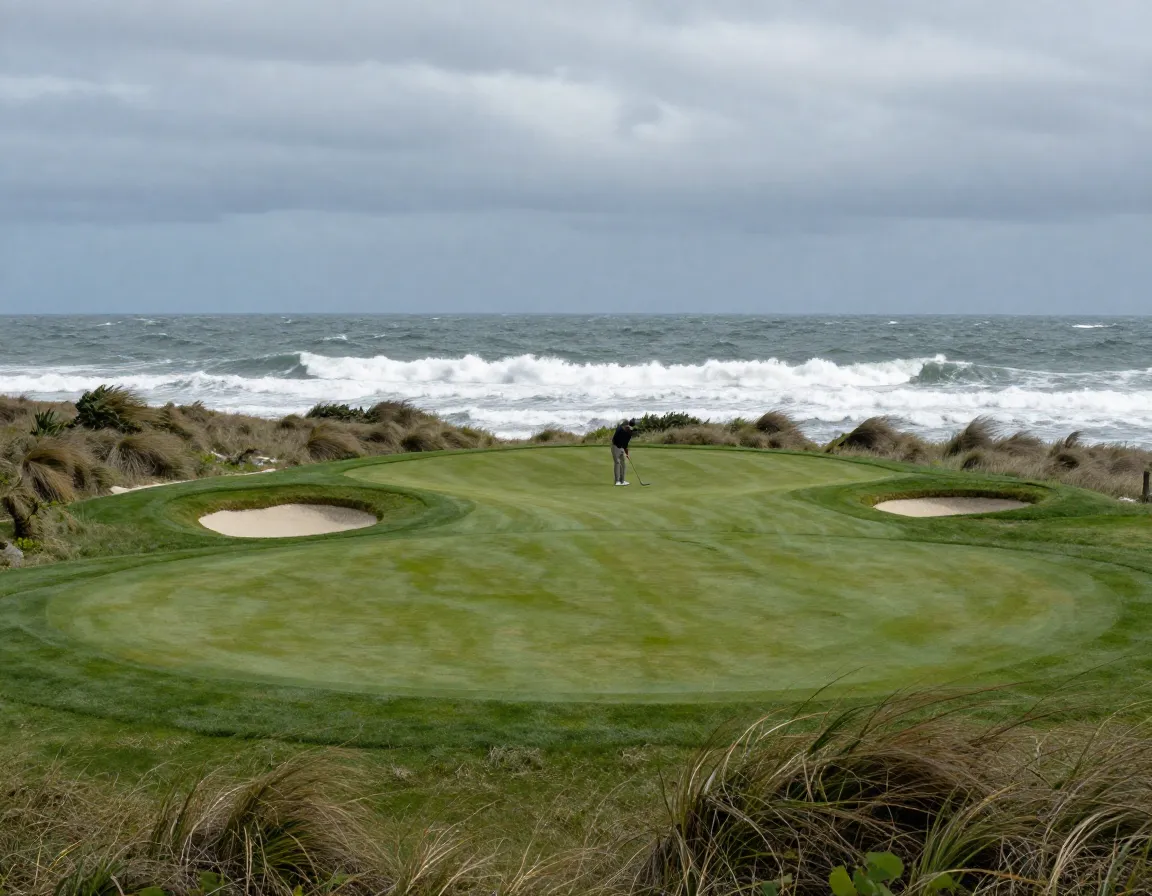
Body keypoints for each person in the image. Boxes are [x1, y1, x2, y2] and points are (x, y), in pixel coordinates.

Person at [611, 418, 636, 486]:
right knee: (617, 462)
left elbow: (625, 445)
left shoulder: (629, 434)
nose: (629, 430)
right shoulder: (620, 429)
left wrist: (627, 454)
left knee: (623, 464)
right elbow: (615, 439)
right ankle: (617, 481)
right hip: (615, 446)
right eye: (628, 428)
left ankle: (622, 481)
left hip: (621, 447)